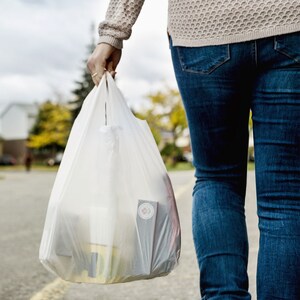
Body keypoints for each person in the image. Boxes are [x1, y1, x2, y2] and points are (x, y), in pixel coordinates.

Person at [87, 1, 300, 299]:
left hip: (204, 30)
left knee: (217, 179)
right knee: (286, 195)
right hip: (290, 23)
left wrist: (113, 32)